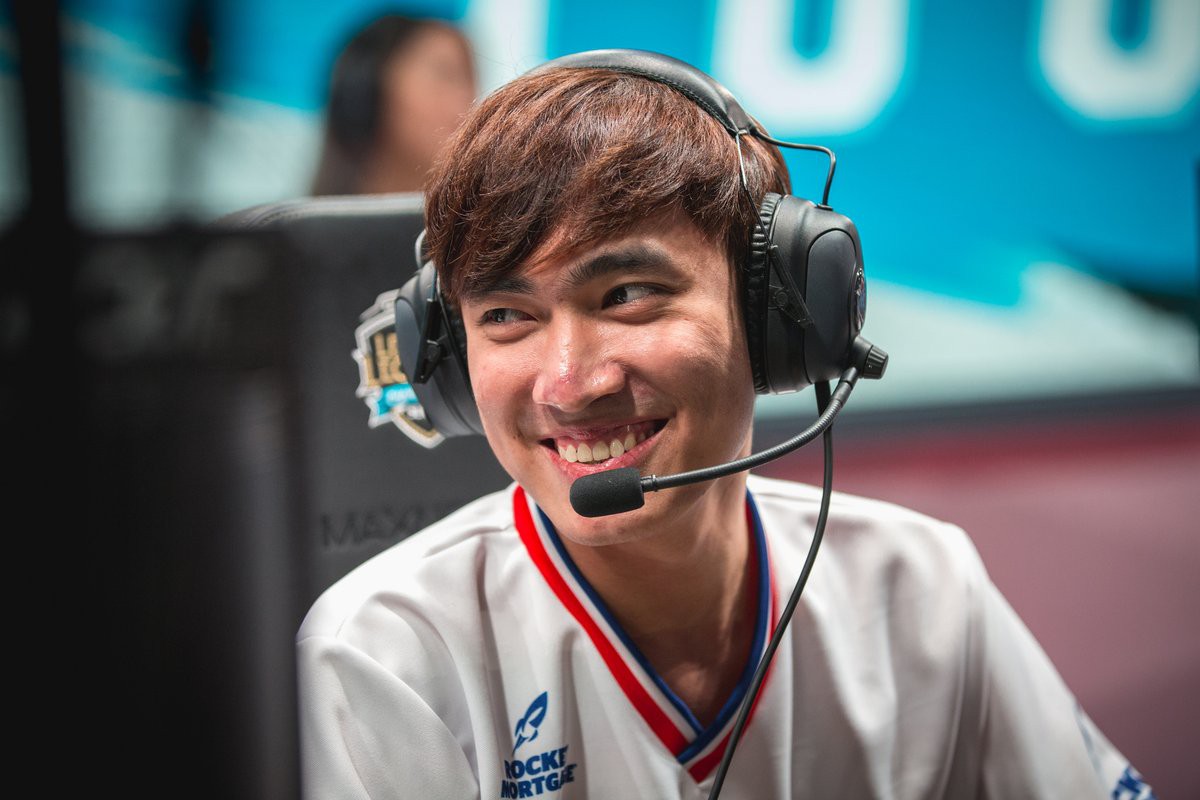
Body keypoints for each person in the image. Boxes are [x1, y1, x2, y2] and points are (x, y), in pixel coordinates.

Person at [295, 51, 1155, 799]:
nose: (569, 383)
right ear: (449, 360)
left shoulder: (920, 590)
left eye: (628, 295)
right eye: (506, 316)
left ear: (781, 309)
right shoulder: (383, 659)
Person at [310, 14, 477, 196]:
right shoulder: (297, 214)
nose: (467, 98)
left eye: (469, 79)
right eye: (444, 75)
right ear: (368, 92)